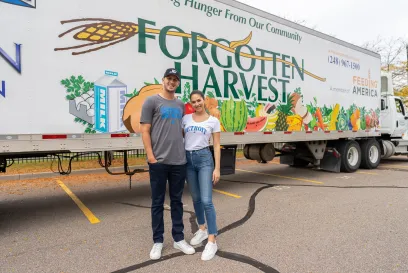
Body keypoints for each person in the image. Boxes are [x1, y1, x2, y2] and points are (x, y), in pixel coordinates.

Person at [140, 68, 195, 260]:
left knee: (177, 202)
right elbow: (145, 130)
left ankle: (179, 239)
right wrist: (150, 156)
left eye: (175, 80)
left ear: (178, 83)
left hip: (178, 161)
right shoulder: (152, 101)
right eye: (169, 78)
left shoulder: (181, 105)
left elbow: (183, 130)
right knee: (157, 202)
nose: (172, 82)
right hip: (159, 162)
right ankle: (158, 241)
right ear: (163, 80)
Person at [182, 90, 221, 261]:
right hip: (188, 160)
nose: (196, 104)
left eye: (199, 100)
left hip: (205, 159)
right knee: (196, 198)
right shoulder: (186, 119)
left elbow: (218, 146)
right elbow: (183, 139)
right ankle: (202, 229)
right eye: (193, 102)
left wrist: (217, 168)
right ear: (190, 104)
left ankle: (212, 240)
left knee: (206, 200)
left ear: (204, 101)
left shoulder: (213, 121)